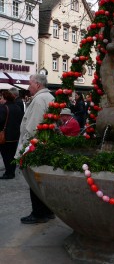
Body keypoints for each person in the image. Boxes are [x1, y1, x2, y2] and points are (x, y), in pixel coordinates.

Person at [15, 74, 55, 224]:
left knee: (34, 181)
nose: (28, 86)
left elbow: (33, 127)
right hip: (45, 144)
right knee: (43, 181)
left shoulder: (39, 99)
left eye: (30, 83)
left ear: (37, 85)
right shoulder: (49, 97)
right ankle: (48, 211)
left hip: (35, 146)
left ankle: (39, 213)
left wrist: (24, 148)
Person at [0, 91, 23, 179]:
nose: (0, 100)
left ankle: (8, 173)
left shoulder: (3, 108)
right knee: (12, 155)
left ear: (5, 99)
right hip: (15, 135)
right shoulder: (17, 107)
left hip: (5, 136)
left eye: (1, 98)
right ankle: (12, 172)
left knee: (5, 155)